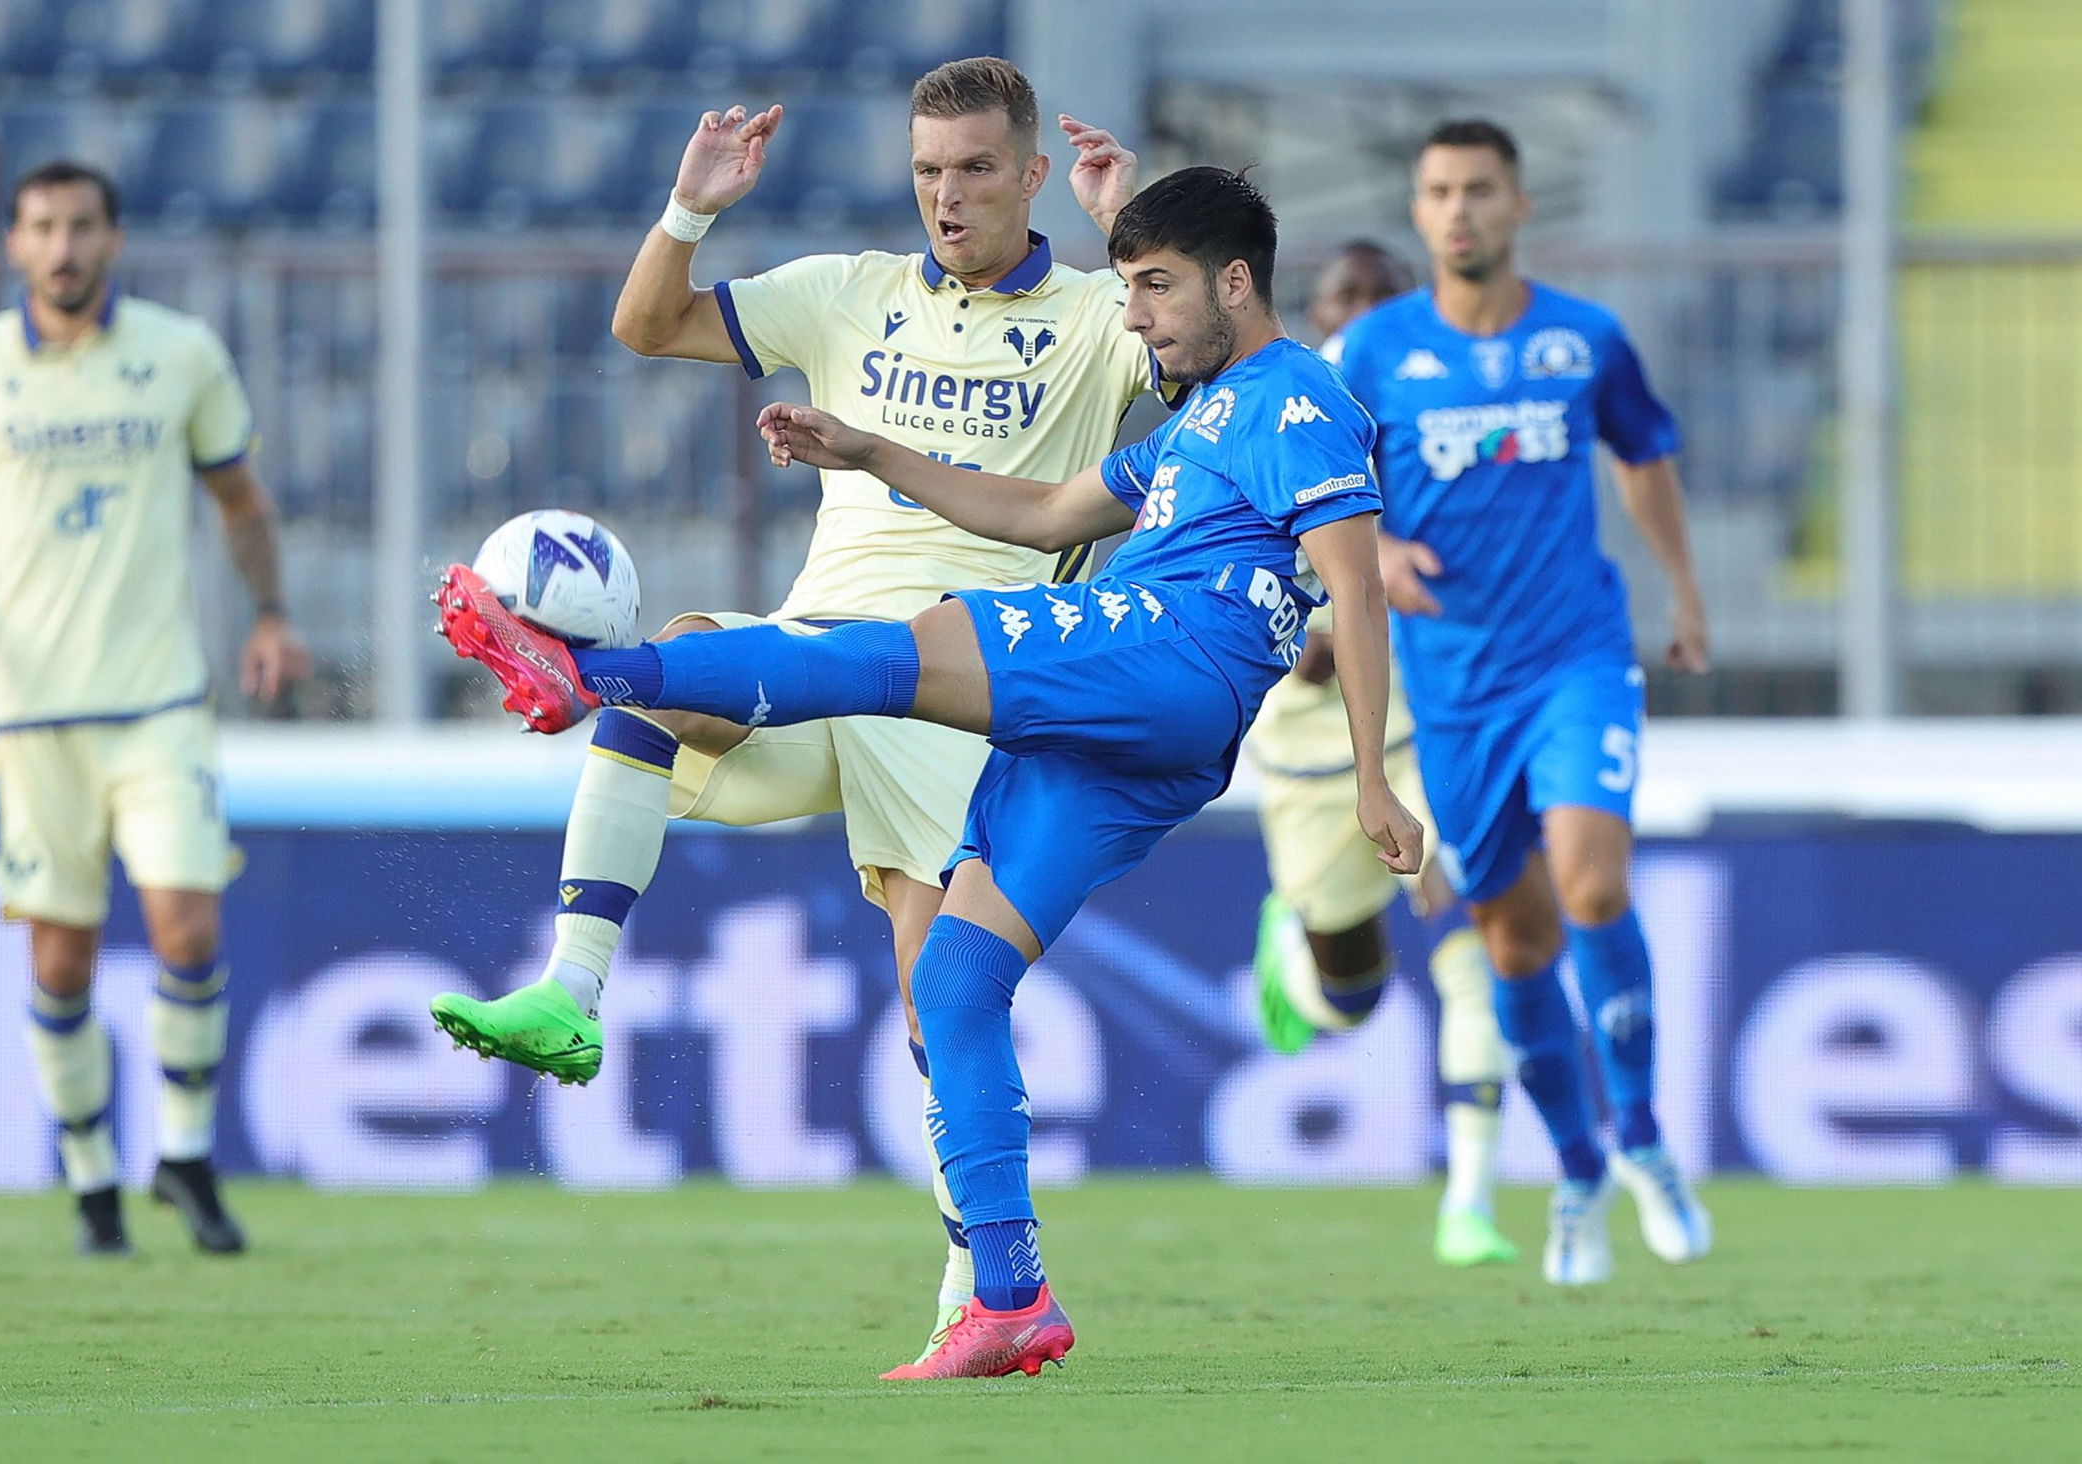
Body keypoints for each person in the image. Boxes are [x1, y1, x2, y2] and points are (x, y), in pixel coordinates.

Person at [437, 165, 1421, 1379]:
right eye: (1127, 290)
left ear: (1234, 283)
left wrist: (1368, 774)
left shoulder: (1299, 398)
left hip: (1164, 653)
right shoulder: (1196, 425)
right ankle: (1009, 1300)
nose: (1136, 319)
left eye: (1156, 289)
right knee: (954, 981)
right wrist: (866, 450)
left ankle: (595, 675)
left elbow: (1358, 586)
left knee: (887, 652)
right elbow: (1047, 512)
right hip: (1143, 739)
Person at [423, 56, 1168, 1363]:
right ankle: (570, 991)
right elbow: (647, 327)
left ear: (1033, 174)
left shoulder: (1103, 315)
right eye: (929, 171)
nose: (948, 196)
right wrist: (688, 208)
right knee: (669, 672)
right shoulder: (850, 294)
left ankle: (981, 1283)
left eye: (978, 169)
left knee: (943, 1004)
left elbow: (1245, 377)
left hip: (968, 684)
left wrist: (1138, 234)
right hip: (817, 659)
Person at [0, 161, 308, 1255]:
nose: (63, 247)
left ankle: (187, 1154)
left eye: (81, 226)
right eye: (42, 229)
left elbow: (240, 500)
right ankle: (90, 1181)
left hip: (161, 699)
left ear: (114, 239)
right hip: (30, 715)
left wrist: (268, 615)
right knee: (61, 963)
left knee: (188, 923)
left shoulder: (180, 354)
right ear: (15, 246)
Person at [1333, 118, 1713, 1285]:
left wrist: (1683, 592)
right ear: (1419, 210)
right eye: (1439, 190)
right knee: (1516, 943)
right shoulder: (1369, 354)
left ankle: (1646, 1136)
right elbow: (1316, 496)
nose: (1459, 210)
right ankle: (1581, 1171)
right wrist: (1381, 547)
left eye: (1479, 190)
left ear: (1518, 205)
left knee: (1593, 880)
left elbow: (1642, 458)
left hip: (1575, 659)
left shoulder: (1584, 340)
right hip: (1454, 696)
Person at [1244, 238, 1518, 1269]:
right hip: (1314, 749)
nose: (1355, 315)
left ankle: (1470, 1204)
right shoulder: (1276, 422)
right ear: (1316, 315)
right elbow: (1295, 638)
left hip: (1433, 731)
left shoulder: (1445, 431)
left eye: (1375, 296)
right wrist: (1345, 612)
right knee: (1350, 997)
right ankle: (1295, 946)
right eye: (1338, 297)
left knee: (1468, 944)